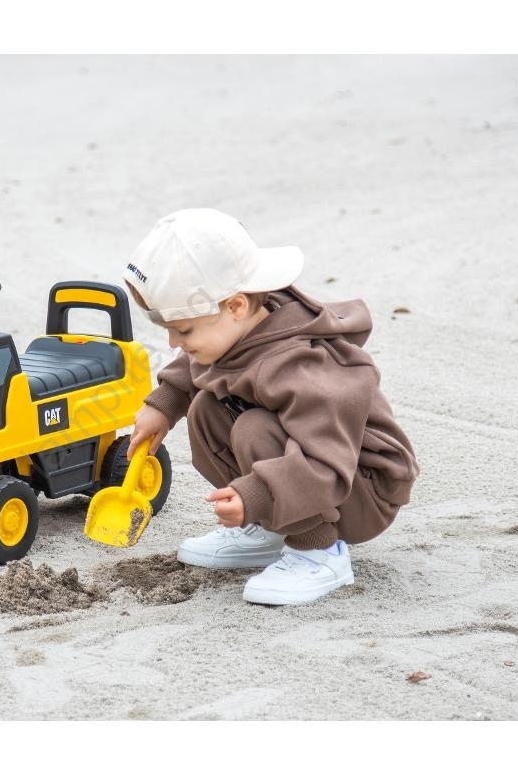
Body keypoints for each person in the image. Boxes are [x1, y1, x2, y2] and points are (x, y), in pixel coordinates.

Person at [124, 208, 419, 606]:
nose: (174, 343)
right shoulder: (246, 324)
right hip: (317, 472)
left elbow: (324, 460)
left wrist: (257, 495)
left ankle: (318, 552)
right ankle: (271, 530)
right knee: (207, 409)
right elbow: (203, 359)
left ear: (236, 306)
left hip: (357, 484)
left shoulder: (300, 365)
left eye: (184, 329)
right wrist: (165, 402)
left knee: (254, 429)